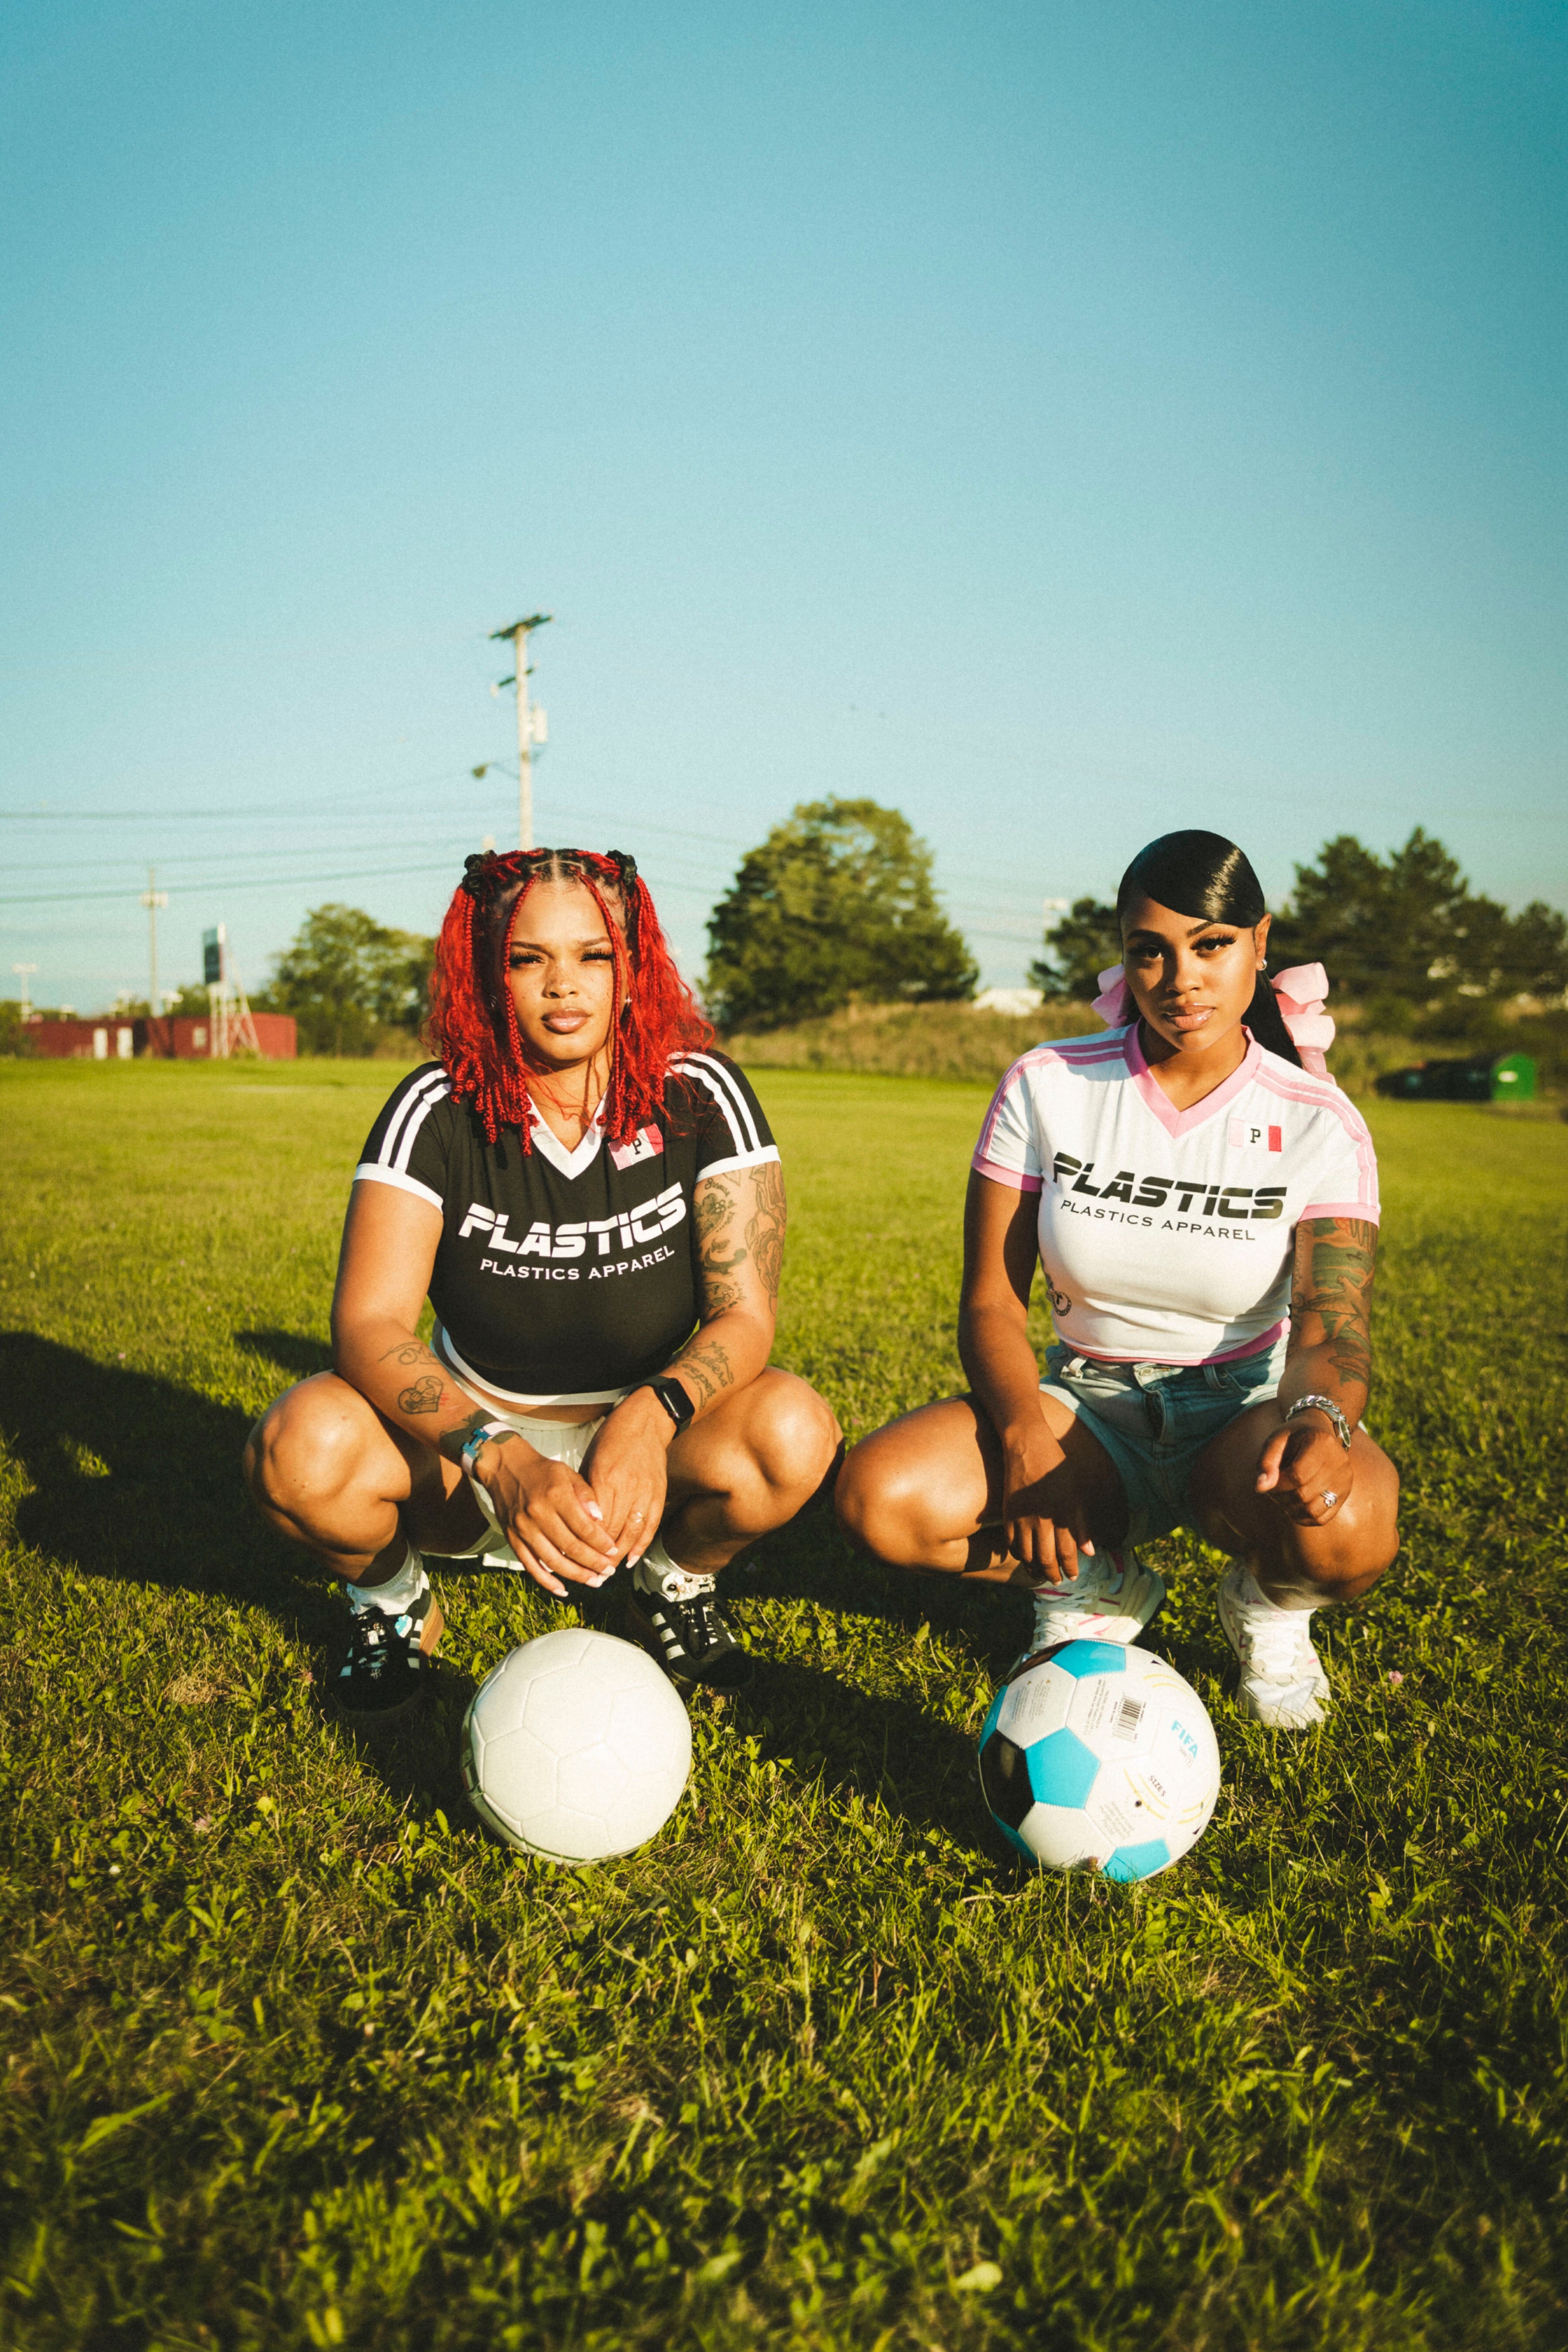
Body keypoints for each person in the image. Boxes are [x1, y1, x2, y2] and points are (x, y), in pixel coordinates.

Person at [245, 846, 840, 1715]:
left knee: (794, 1430)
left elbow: (744, 1317)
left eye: (593, 956)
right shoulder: (436, 1105)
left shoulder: (700, 1093)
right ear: (489, 978)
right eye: (529, 960)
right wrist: (499, 1456)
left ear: (632, 969)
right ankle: (394, 1600)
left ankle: (671, 1581)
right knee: (298, 1448)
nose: (564, 986)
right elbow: (370, 1325)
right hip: (466, 1461)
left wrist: (649, 1419)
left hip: (640, 1457)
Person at [835, 830, 1399, 1729]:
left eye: (1211, 945)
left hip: (1239, 1418)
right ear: (1124, 957)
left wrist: (1319, 1420)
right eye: (1150, 951)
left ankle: (1267, 1606)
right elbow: (990, 1298)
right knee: (882, 1499)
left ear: (1259, 941)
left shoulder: (1318, 1120)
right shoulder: (1048, 1083)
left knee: (1355, 1526)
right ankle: (1093, 1583)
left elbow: (1331, 1323)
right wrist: (1026, 1440)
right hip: (1087, 1411)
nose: (1181, 980)